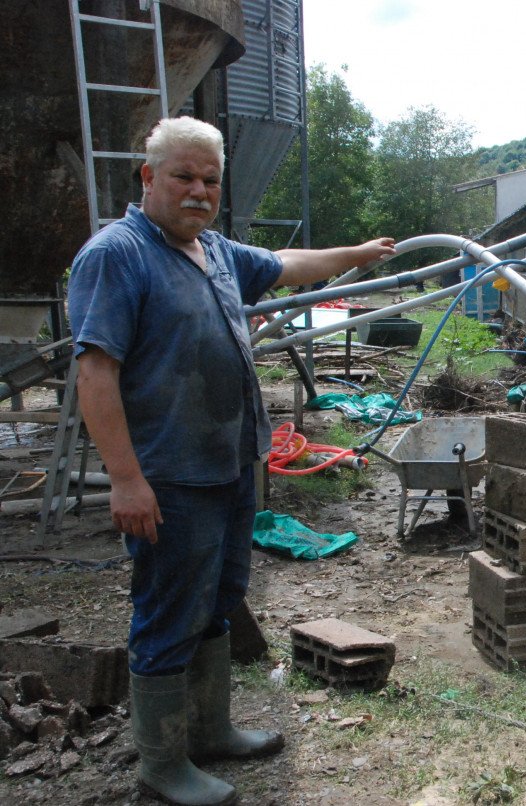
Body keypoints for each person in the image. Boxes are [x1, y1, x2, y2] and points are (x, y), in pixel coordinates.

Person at [67, 116, 396, 806]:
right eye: (184, 176)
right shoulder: (118, 254)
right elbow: (95, 373)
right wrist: (126, 478)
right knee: (167, 613)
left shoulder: (212, 251)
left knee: (218, 604)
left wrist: (359, 253)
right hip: (170, 474)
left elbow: (287, 264)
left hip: (230, 465)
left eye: (210, 179)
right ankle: (162, 764)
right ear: (149, 176)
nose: (199, 191)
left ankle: (209, 730)